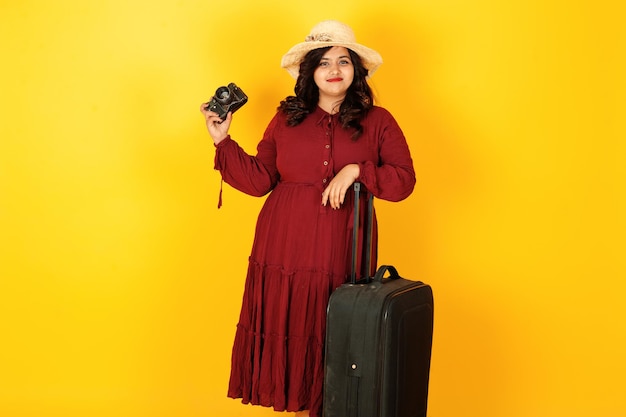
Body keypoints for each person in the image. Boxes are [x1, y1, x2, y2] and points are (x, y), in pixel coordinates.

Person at [200, 20, 415, 417]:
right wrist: (222, 140)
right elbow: (261, 179)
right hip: (283, 244)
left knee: (334, 334)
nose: (335, 70)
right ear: (310, 72)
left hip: (342, 246)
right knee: (293, 334)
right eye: (324, 62)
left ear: (357, 70)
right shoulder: (286, 118)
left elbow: (403, 182)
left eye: (344, 61)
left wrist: (356, 171)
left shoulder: (379, 120)